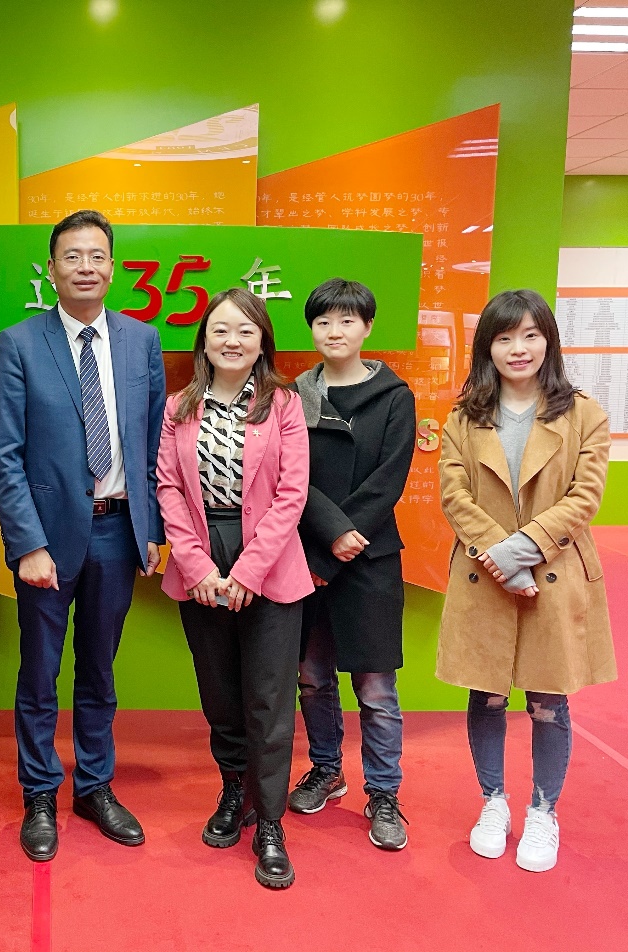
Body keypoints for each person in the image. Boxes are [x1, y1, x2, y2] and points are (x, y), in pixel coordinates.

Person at [0, 210, 166, 862]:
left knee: (98, 669)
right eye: (72, 256)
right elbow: (4, 455)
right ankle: (39, 791)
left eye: (96, 255)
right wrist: (26, 544)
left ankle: (94, 785)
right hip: (47, 537)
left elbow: (153, 444)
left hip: (117, 530)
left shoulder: (141, 341)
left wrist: (150, 527)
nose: (85, 266)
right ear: (52, 268)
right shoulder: (19, 342)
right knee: (39, 673)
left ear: (112, 267)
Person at [436, 288, 615, 873]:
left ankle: (543, 810)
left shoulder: (584, 413)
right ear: (487, 346)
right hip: (484, 574)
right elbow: (454, 496)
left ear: (548, 341)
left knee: (547, 698)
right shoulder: (464, 415)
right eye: (505, 337)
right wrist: (502, 561)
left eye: (531, 335)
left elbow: (584, 497)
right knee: (486, 693)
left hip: (553, 572)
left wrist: (519, 553)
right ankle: (493, 803)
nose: (518, 348)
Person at [156, 287, 312, 889]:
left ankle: (270, 823)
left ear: (262, 341)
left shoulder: (284, 404)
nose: (232, 340)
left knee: (269, 702)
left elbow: (292, 494)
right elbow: (168, 488)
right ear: (203, 340)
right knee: (220, 695)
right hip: (201, 558)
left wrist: (248, 572)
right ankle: (234, 793)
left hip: (269, 563)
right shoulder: (179, 406)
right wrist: (196, 567)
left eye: (246, 330)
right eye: (220, 329)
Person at [287, 279, 416, 851]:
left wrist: (345, 536)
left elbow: (389, 479)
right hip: (308, 555)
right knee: (312, 677)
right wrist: (326, 540)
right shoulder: (293, 396)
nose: (334, 331)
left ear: (367, 327)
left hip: (369, 558)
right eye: (323, 321)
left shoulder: (394, 397)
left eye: (346, 321)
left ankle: (384, 792)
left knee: (376, 688)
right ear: (311, 329)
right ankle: (326, 769)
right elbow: (291, 477)